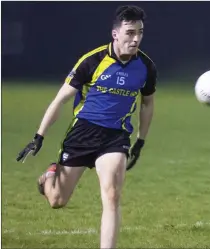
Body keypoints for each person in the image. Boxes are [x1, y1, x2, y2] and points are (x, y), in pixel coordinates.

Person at [16, 5, 157, 249]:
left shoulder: (146, 67)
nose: (136, 39)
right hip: (82, 134)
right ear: (116, 34)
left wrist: (140, 140)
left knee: (112, 196)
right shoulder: (92, 61)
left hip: (116, 137)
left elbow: (147, 103)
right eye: (130, 33)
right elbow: (60, 100)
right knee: (57, 201)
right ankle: (48, 177)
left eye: (140, 33)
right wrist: (39, 136)